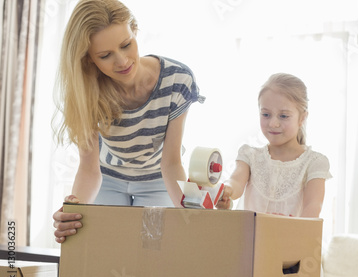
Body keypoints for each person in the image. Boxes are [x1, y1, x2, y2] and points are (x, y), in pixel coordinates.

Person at [52, 0, 204, 243]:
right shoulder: (87, 90)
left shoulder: (177, 79)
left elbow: (171, 163)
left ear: (135, 30)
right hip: (107, 176)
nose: (122, 61)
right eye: (105, 55)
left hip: (157, 178)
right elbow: (90, 169)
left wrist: (193, 215)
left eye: (126, 45)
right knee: (101, 247)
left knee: (152, 251)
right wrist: (73, 211)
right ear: (89, 59)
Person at [217, 73, 331, 218]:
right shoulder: (249, 155)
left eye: (283, 116)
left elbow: (313, 207)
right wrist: (227, 191)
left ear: (302, 118)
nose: (273, 123)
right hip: (249, 240)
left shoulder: (314, 162)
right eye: (266, 115)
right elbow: (236, 182)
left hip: (292, 239)